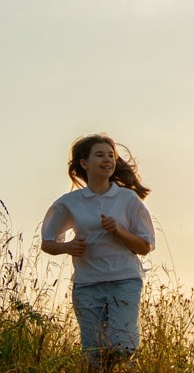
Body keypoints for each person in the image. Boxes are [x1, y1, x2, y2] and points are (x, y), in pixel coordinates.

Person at [40, 133, 156, 369]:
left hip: (124, 280)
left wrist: (119, 231)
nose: (107, 160)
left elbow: (145, 246)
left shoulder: (128, 199)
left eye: (111, 156)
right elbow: (47, 242)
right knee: (93, 356)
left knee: (124, 346)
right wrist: (67, 247)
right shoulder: (70, 202)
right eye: (100, 155)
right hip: (87, 284)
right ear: (84, 163)